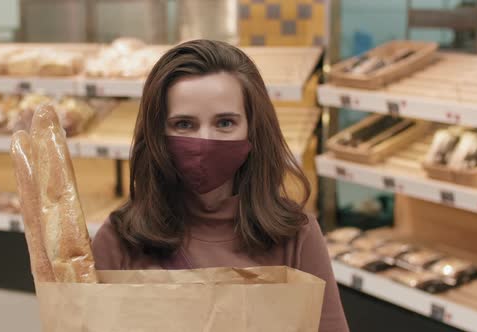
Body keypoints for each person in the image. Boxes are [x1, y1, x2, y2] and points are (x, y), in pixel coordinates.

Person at [92, 39, 349, 331]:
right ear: (156, 133)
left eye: (225, 123)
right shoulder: (120, 239)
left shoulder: (296, 236)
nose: (205, 141)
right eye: (184, 124)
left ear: (252, 129)